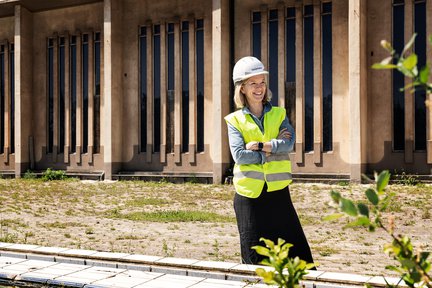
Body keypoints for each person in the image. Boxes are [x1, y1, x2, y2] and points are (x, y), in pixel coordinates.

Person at [224, 56, 314, 265]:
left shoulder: (279, 114)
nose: (259, 87)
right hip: (249, 197)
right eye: (252, 83)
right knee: (255, 257)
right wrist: (272, 150)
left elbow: (289, 144)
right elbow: (239, 155)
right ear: (242, 88)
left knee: (297, 255)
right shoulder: (234, 120)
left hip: (278, 194)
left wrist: (260, 145)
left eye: (262, 82)